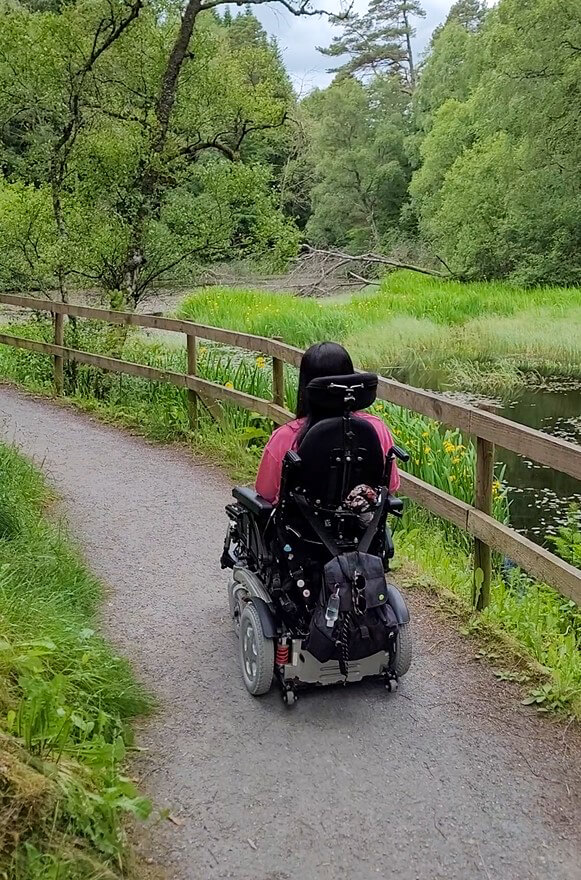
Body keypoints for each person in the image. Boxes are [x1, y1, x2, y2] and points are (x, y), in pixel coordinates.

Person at [255, 342, 400, 504]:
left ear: (305, 385)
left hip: (300, 526)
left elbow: (265, 491)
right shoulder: (376, 428)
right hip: (364, 524)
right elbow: (390, 486)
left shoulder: (286, 436)